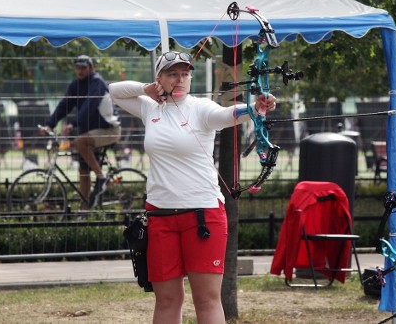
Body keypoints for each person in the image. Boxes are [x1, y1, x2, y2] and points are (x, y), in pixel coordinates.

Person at [109, 51, 277, 324]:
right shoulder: (149, 107)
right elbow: (114, 91)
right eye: (172, 74)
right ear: (159, 79)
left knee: (207, 300)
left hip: (202, 215)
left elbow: (227, 114)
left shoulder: (201, 108)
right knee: (166, 300)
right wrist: (146, 90)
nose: (180, 79)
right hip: (160, 215)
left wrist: (257, 107)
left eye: (185, 73)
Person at [40, 55, 121, 208]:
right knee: (83, 170)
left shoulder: (97, 82)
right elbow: (64, 105)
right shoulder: (75, 85)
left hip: (109, 130)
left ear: (91, 68)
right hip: (90, 132)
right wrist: (50, 125)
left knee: (78, 141)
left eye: (84, 68)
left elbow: (90, 106)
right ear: (74, 69)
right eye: (78, 68)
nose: (81, 71)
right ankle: (85, 210)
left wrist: (73, 123)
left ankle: (102, 177)